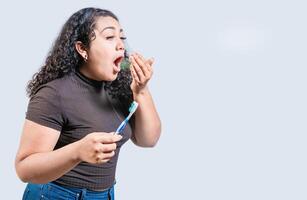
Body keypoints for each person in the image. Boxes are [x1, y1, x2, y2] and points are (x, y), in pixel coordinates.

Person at [15, 7, 161, 200]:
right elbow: (24, 169)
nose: (121, 46)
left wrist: (141, 91)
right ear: (82, 49)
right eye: (109, 37)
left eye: (122, 38)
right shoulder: (54, 94)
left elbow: (148, 140)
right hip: (54, 195)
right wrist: (77, 151)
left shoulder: (119, 87)